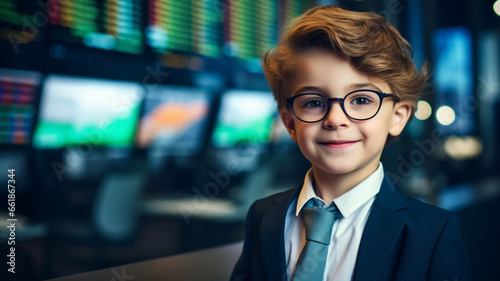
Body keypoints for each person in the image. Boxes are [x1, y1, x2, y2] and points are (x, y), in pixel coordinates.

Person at [230, 5, 470, 281]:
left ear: (398, 117)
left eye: (361, 100)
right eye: (313, 103)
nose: (335, 119)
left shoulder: (432, 233)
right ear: (289, 123)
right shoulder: (263, 216)